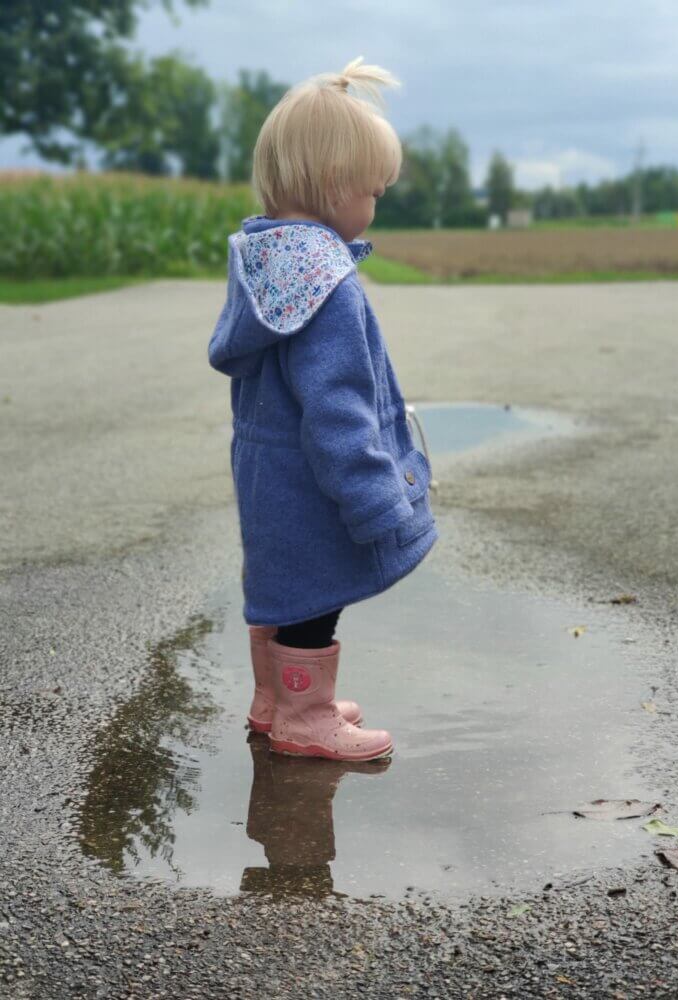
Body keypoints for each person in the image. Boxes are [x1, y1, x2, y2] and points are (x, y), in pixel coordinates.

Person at [208, 56, 439, 762]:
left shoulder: (267, 261)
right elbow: (339, 408)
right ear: (337, 188)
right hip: (312, 477)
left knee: (283, 585)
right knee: (316, 591)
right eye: (373, 192)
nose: (374, 206)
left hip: (266, 469)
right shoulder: (329, 284)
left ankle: (278, 701)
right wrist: (374, 503)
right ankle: (306, 721)